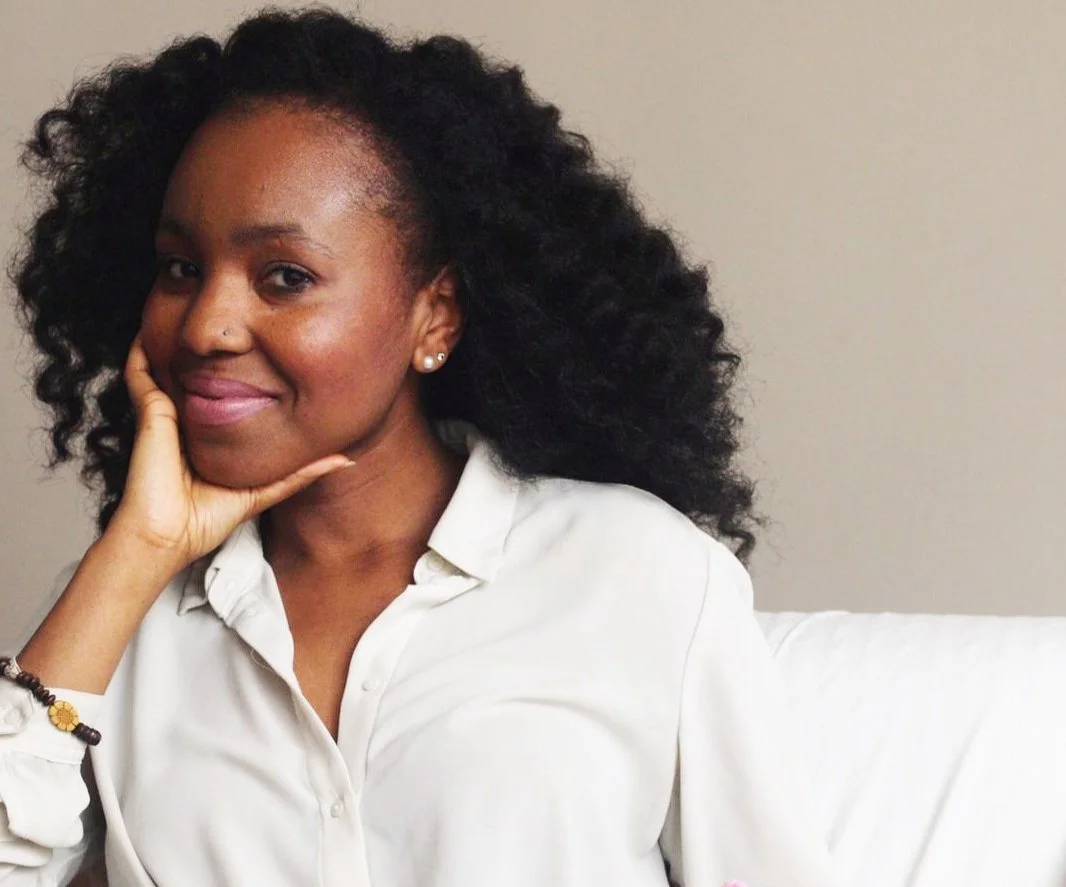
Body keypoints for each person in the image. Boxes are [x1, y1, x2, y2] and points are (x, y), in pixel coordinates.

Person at [0, 7, 842, 886]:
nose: (207, 325)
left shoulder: (636, 571)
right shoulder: (117, 618)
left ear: (433, 315)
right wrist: (137, 552)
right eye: (181, 268)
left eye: (285, 276)